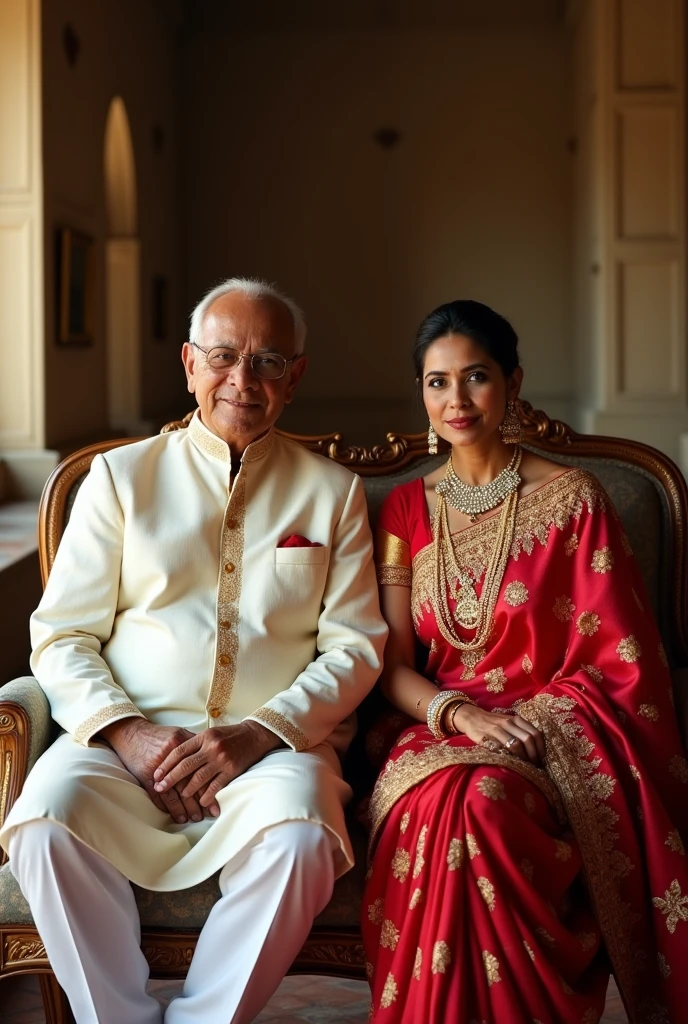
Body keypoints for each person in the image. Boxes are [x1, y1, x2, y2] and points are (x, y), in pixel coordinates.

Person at [0, 278, 388, 1024]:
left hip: (272, 752)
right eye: (223, 357)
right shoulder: (119, 478)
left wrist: (259, 733)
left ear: (296, 375)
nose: (243, 380)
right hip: (118, 745)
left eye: (269, 361)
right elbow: (61, 633)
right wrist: (128, 732)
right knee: (44, 818)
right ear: (188, 364)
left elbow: (355, 644)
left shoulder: (333, 494)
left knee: (306, 832)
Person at [361, 299, 688, 1023]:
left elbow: (624, 662)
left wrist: (527, 720)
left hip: (553, 734)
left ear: (512, 381)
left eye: (474, 377)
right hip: (439, 728)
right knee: (454, 802)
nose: (456, 400)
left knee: (487, 805)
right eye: (437, 382)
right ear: (421, 392)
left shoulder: (575, 500)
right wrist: (463, 714)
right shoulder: (407, 510)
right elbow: (391, 664)